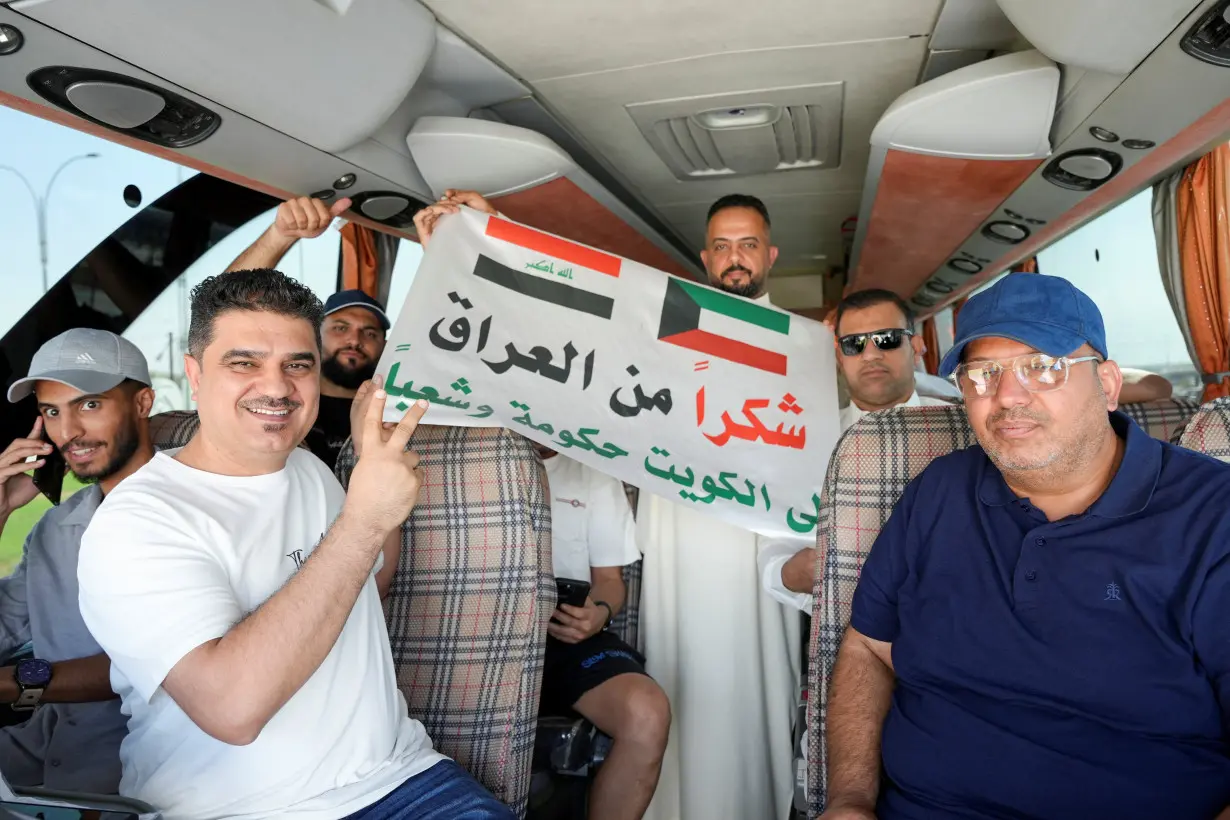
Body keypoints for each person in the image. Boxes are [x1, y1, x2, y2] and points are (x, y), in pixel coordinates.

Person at [414, 190, 800, 820]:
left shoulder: (796, 343)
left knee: (753, 685)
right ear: (704, 256)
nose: (736, 258)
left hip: (757, 535)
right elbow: (585, 310)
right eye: (723, 246)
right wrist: (498, 231)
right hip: (678, 520)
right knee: (680, 672)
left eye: (748, 245)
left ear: (770, 254)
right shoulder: (675, 316)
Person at [77, 270, 512, 819]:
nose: (278, 387)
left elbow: (369, 582)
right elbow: (232, 709)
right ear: (194, 374)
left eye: (297, 365)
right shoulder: (139, 521)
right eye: (244, 363)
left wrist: (370, 478)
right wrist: (361, 518)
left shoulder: (309, 470)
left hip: (402, 778)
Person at [823, 272, 1230, 820]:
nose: (1009, 397)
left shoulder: (1212, 517)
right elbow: (867, 647)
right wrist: (848, 799)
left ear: (1107, 385)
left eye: (1044, 367)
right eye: (984, 374)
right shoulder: (937, 491)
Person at [0, 329, 153, 793]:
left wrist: (17, 683)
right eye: (52, 411)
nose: (69, 432)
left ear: (143, 403)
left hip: (135, 774)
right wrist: (0, 511)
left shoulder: (190, 512)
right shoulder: (55, 529)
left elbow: (153, 667)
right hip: (39, 755)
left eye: (89, 405)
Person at [761, 289, 955, 613]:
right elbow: (774, 551)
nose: (870, 354)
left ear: (916, 346)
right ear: (839, 357)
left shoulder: (963, 430)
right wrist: (795, 572)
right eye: (854, 344)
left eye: (887, 339)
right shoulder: (806, 443)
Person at [536, 445, 670, 820]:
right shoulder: (460, 456)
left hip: (564, 635)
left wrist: (598, 613)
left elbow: (610, 582)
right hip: (476, 636)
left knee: (646, 711)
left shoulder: (592, 470)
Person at [226, 195, 390, 470]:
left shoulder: (396, 413)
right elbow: (224, 312)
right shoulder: (277, 403)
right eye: (340, 328)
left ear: (385, 346)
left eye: (370, 333)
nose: (354, 340)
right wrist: (279, 236)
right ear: (315, 337)